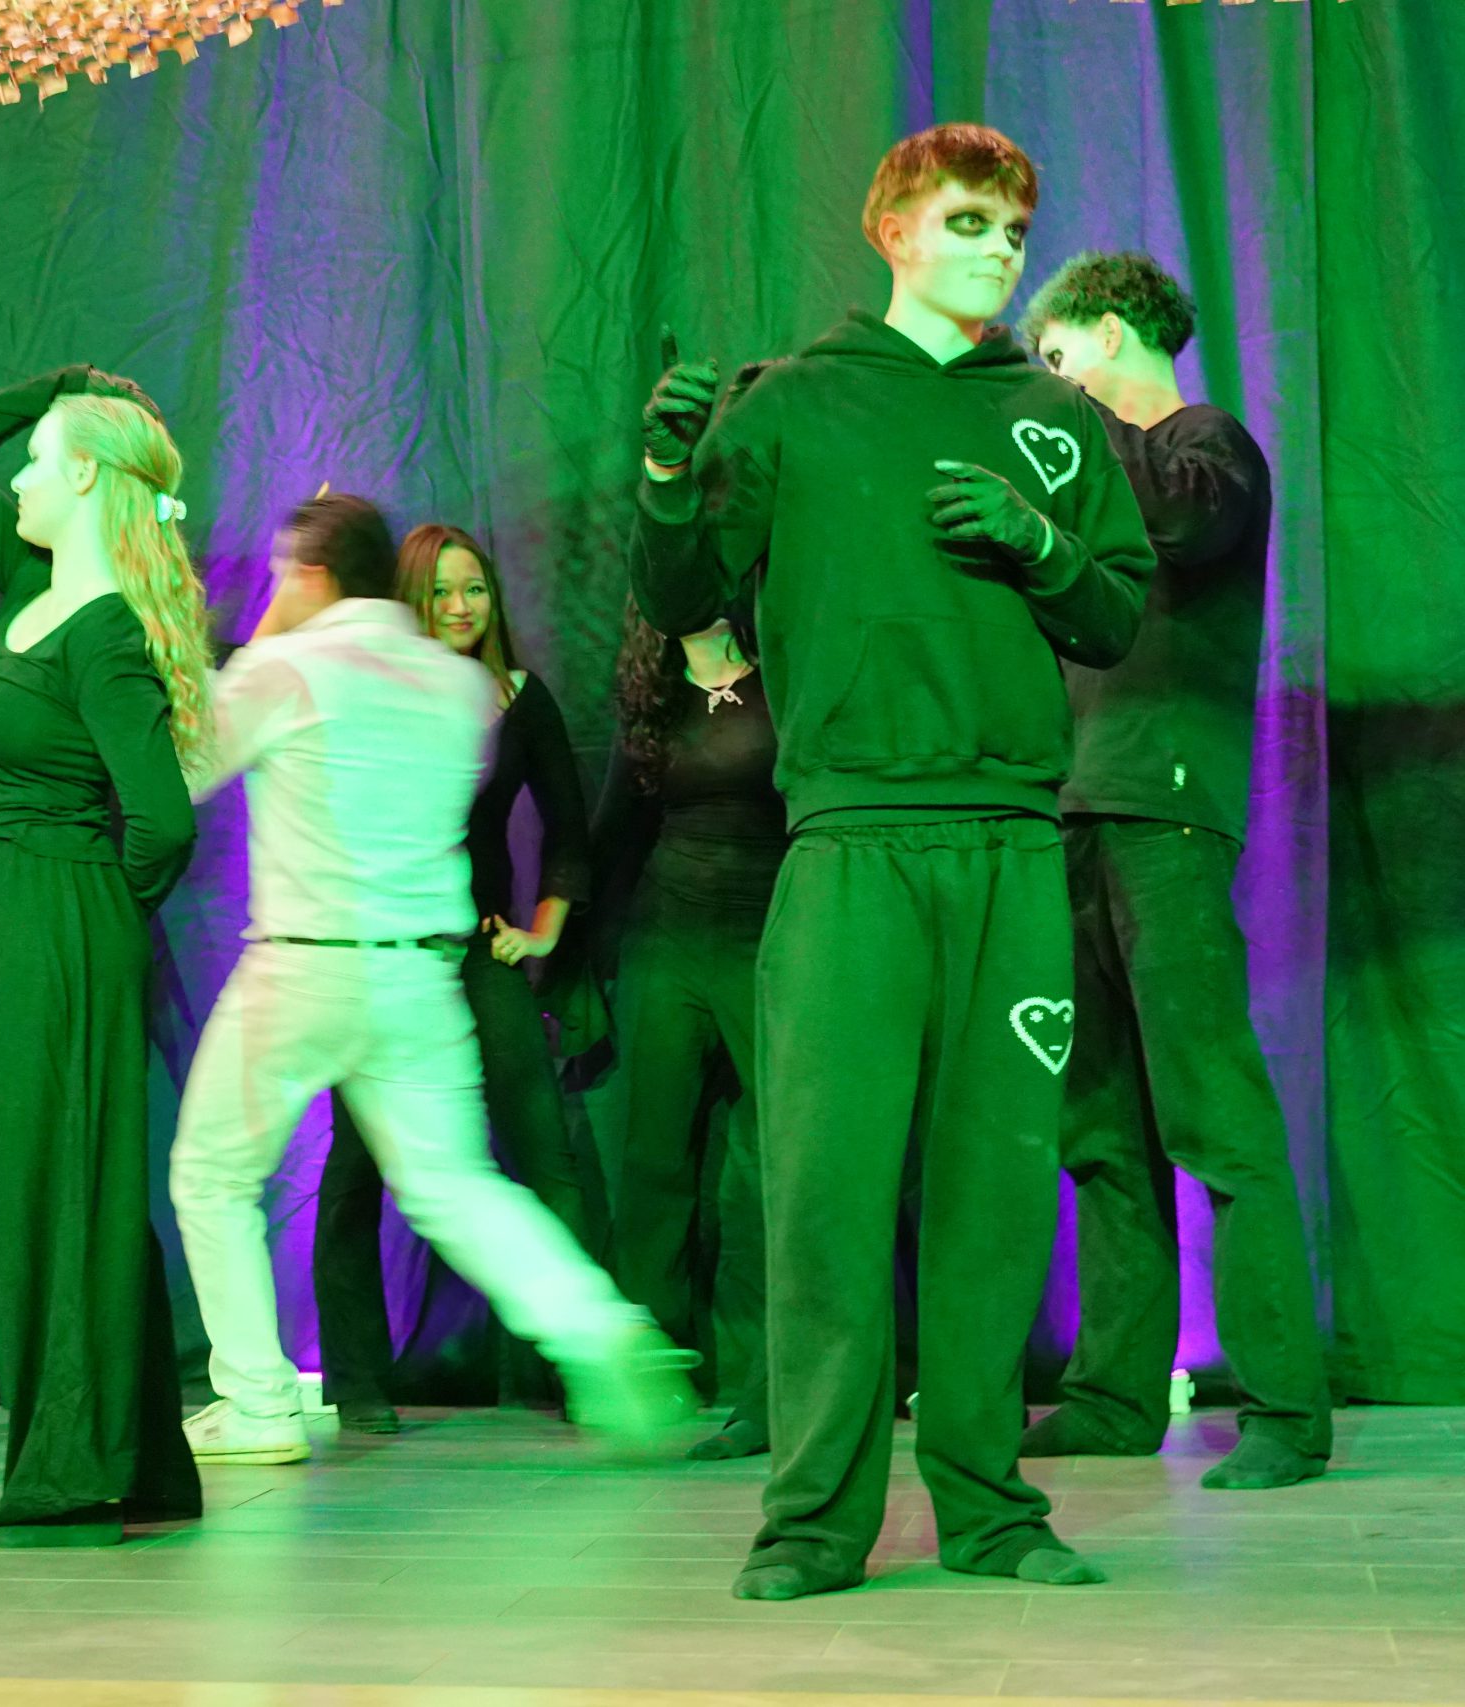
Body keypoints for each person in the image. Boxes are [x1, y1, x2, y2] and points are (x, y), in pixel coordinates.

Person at [632, 122, 1154, 1600]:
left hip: (1008, 845)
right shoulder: (792, 403)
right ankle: (813, 1520)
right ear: (896, 230)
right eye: (971, 222)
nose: (999, 250)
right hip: (851, 845)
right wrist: (667, 466)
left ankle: (990, 1509)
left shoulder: (1046, 416)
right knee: (825, 1194)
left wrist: (1040, 543)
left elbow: (1116, 613)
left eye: (1014, 229)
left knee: (997, 1190)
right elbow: (681, 590)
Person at [169, 492, 695, 1468]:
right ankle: (597, 1325)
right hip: (421, 975)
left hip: (307, 965)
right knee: (454, 1185)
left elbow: (186, 766)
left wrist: (259, 635)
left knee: (211, 1174)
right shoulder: (452, 686)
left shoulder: (288, 667)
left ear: (312, 575)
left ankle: (257, 1401)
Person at [1018, 251, 1331, 1490]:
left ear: (1110, 331)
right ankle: (1112, 1395)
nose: (1049, 382)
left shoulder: (1208, 447)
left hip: (1167, 812)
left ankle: (1285, 1411)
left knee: (1212, 1114)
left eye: (1057, 354)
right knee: (1098, 1124)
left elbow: (1188, 522)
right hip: (1072, 813)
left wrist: (1067, 411)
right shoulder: (1089, 486)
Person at [0, 365, 208, 1546]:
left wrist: (87, 917)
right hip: (2, 921)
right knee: (50, 1187)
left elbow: (163, 823)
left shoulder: (104, 630)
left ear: (81, 475)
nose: (18, 480)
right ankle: (132, 1461)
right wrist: (63, 385)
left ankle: (69, 1475)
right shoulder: (34, 581)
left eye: (36, 459)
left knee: (56, 1190)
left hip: (56, 920)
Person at [308, 525, 595, 1433]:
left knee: (545, 1155)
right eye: (440, 592)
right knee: (354, 1172)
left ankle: (580, 1370)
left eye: (474, 588)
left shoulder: (517, 697)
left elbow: (570, 827)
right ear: (411, 601)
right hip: (382, 955)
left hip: (474, 953)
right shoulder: (372, 691)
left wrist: (542, 928)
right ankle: (356, 1383)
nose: (461, 606)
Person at [597, 600, 789, 1462]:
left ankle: (766, 1381)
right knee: (654, 1161)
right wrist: (570, 946)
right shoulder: (653, 696)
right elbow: (614, 833)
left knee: (767, 1170)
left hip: (765, 939)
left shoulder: (782, 673)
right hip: (666, 940)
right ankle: (652, 1373)